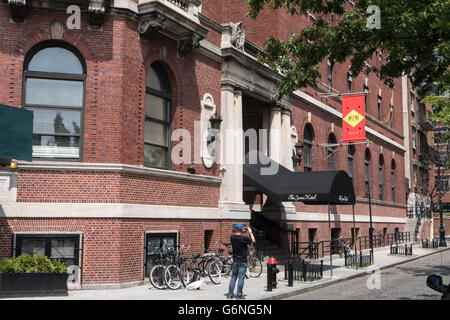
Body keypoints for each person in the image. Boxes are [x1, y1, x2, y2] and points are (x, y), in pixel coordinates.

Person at [226, 223, 255, 300]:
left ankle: (230, 294)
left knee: (233, 277)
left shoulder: (232, 237)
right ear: (241, 229)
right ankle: (239, 296)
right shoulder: (244, 238)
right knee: (241, 278)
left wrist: (243, 231)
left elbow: (237, 236)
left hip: (235, 260)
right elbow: (253, 240)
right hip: (242, 261)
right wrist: (250, 232)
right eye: (243, 228)